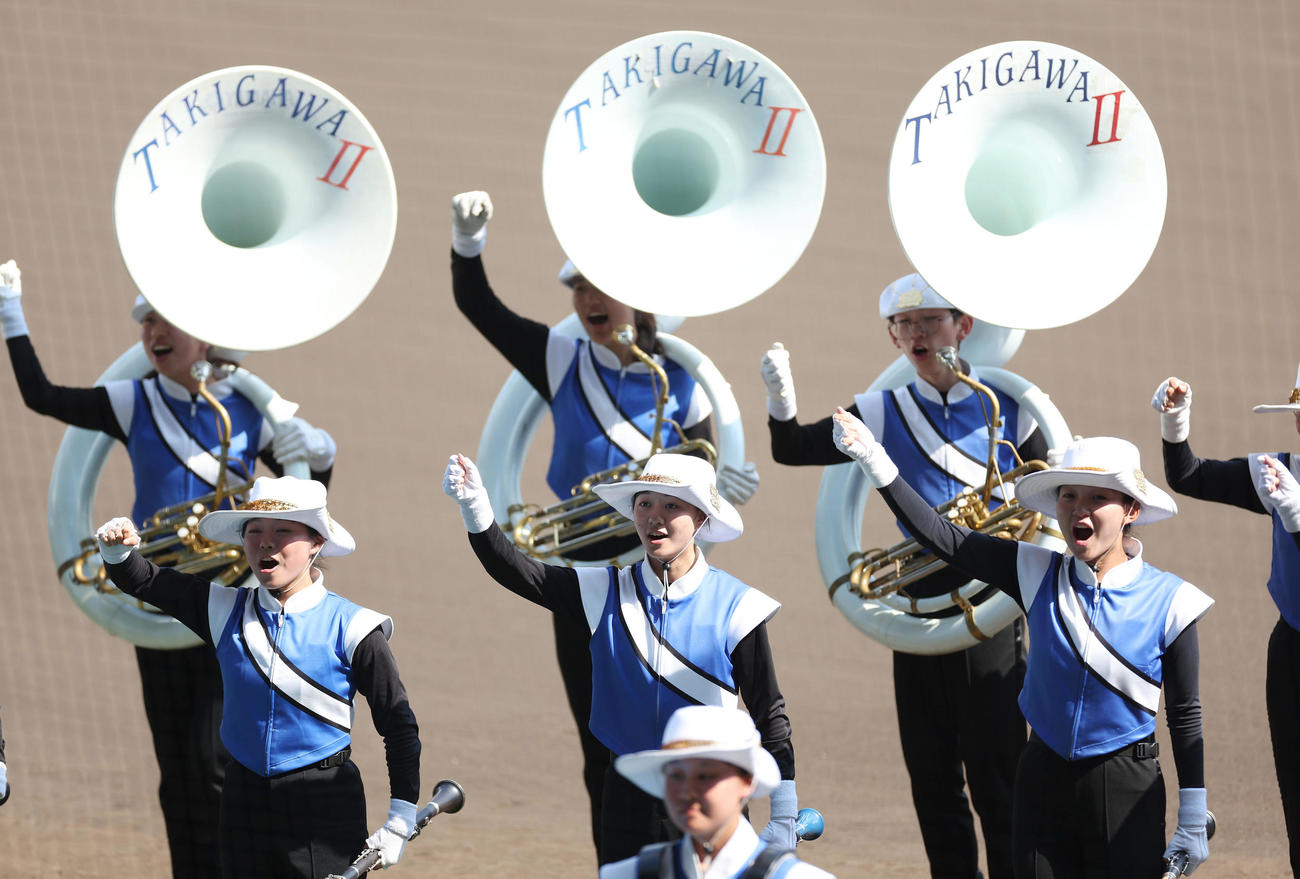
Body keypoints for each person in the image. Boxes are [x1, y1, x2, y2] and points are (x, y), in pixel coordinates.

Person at [0, 258, 337, 878]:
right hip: (157, 604)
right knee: (175, 771)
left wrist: (319, 456)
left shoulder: (251, 408)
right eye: (146, 319)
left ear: (204, 335)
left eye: (167, 319)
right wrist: (11, 314)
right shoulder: (134, 401)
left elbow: (306, 500)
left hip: (230, 606)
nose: (153, 331)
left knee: (213, 760)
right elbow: (41, 396)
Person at [449, 190, 759, 850]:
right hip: (587, 581)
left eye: (603, 285)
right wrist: (468, 246)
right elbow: (483, 310)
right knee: (603, 751)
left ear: (639, 295)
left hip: (668, 579)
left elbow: (706, 471)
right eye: (579, 286)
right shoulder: (563, 359)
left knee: (695, 734)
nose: (589, 299)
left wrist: (728, 478)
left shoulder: (683, 375)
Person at [834, 410, 1214, 878]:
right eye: (1068, 496)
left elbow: (1185, 710)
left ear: (1131, 510)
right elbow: (944, 538)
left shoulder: (1173, 600)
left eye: (1098, 497)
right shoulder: (1034, 570)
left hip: (1125, 785)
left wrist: (1194, 810)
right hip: (1042, 778)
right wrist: (874, 459)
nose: (1079, 509)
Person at [760, 274, 1045, 879]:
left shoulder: (1012, 405)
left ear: (964, 327)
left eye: (931, 322)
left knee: (998, 775)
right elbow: (790, 449)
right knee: (932, 776)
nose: (917, 334)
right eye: (904, 326)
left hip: (990, 600)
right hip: (917, 603)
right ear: (893, 337)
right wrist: (781, 402)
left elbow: (1054, 497)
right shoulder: (880, 411)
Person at [443, 451, 795, 866]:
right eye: (644, 504)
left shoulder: (739, 607)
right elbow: (519, 572)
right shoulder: (603, 590)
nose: (654, 518)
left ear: (701, 518)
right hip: (626, 796)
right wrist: (475, 509)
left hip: (710, 794)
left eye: (671, 505)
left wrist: (784, 811)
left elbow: (769, 714)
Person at [95, 476, 421, 879]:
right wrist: (116, 551)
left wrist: (400, 818)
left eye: (283, 531)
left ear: (316, 543)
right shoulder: (222, 608)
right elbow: (144, 579)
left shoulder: (355, 628)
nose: (266, 542)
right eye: (255, 532)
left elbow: (399, 725)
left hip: (323, 803)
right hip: (242, 800)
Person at [1154, 366, 1300, 874]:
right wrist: (1177, 425)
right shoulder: (1280, 472)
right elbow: (1189, 475)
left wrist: (1298, 520)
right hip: (1293, 655)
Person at [599, 706, 834, 879]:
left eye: (705, 776)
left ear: (747, 782)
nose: (686, 791)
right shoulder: (623, 875)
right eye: (676, 775)